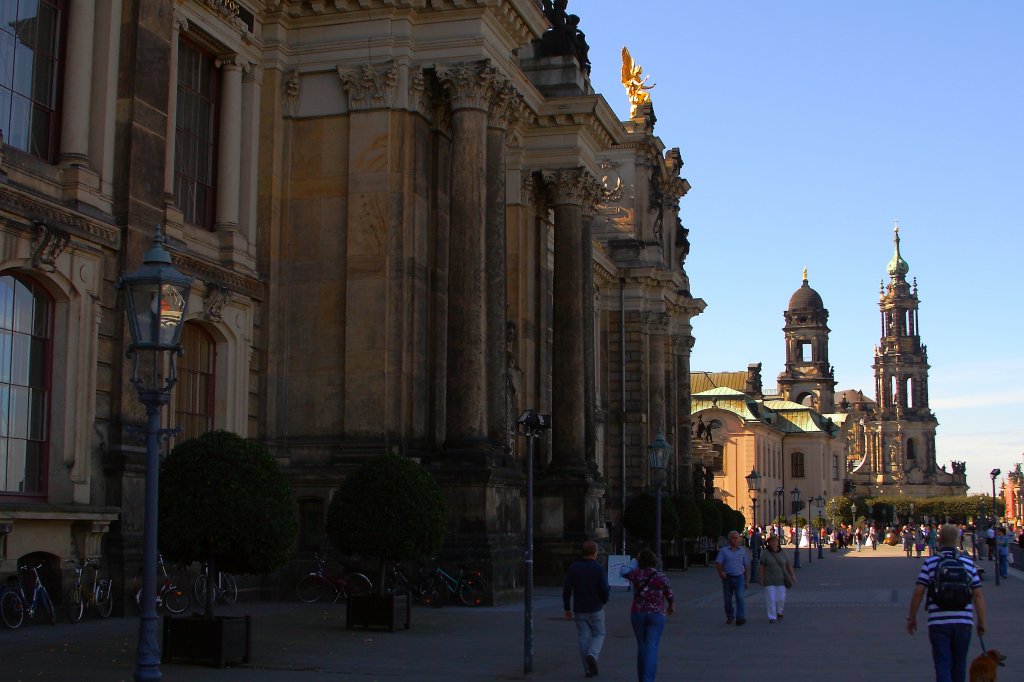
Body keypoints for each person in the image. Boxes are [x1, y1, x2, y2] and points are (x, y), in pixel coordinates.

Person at [906, 524, 987, 682]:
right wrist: (981, 622)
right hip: (964, 621)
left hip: (938, 622)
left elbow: (918, 591)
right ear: (957, 540)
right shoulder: (967, 563)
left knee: (942, 663)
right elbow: (977, 595)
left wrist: (912, 617)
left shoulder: (931, 562)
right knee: (959, 664)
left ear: (939, 539)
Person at [622, 548, 673, 682]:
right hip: (656, 614)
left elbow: (623, 571)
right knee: (652, 646)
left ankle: (641, 677)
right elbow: (669, 592)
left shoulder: (635, 574)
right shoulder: (660, 576)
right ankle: (648, 679)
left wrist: (634, 561)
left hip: (638, 613)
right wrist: (671, 605)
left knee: (642, 645)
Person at [563, 540, 610, 678]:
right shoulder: (599, 568)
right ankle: (592, 655)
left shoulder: (574, 567)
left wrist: (567, 607)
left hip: (579, 608)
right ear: (595, 553)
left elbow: (567, 589)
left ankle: (587, 669)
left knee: (583, 637)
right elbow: (604, 589)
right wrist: (604, 600)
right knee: (599, 633)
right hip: (595, 607)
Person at [715, 530, 750, 625]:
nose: (735, 540)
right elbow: (718, 563)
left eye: (736, 538)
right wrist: (721, 573)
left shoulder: (742, 551)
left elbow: (746, 565)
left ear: (739, 539)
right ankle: (730, 616)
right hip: (727, 578)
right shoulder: (724, 550)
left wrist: (746, 580)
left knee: (740, 598)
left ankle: (740, 617)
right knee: (727, 600)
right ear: (729, 539)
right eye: (733, 538)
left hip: (739, 577)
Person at [759, 535, 795, 623]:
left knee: (781, 598)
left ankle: (780, 611)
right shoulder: (765, 553)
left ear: (777, 543)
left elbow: (788, 565)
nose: (773, 543)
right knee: (770, 598)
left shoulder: (783, 552)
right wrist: (761, 578)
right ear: (769, 543)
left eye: (775, 541)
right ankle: (772, 617)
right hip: (769, 579)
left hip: (781, 579)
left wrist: (792, 575)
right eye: (771, 542)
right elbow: (762, 567)